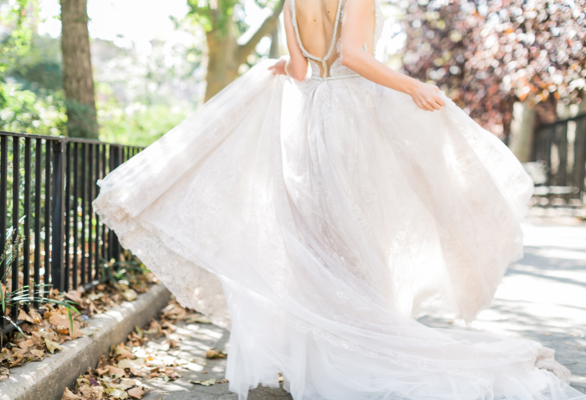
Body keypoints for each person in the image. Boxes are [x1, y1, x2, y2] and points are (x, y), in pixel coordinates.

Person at [93, 0, 585, 399]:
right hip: (350, 124)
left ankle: (331, 353)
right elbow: (354, 57)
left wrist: (280, 66)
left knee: (321, 239)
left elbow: (303, 71)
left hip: (306, 125)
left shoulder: (289, 6)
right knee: (358, 239)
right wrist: (413, 86)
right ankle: (366, 348)